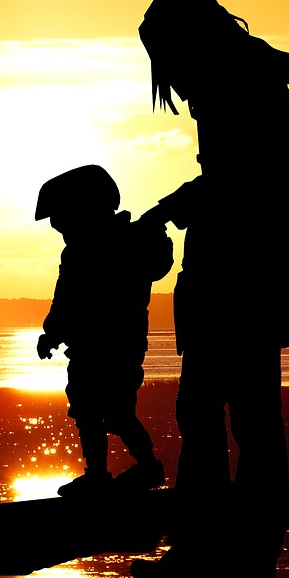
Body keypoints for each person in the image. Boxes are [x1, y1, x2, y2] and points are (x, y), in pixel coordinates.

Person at [127, 0, 289, 578]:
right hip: (247, 258)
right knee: (236, 411)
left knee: (224, 412)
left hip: (238, 265)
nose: (170, 78)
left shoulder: (238, 87)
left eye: (167, 57)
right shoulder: (250, 78)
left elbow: (236, 180)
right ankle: (230, 550)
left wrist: (164, 211)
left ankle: (227, 551)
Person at [35, 164, 174, 498]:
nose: (62, 231)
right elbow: (65, 301)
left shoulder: (118, 245)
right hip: (95, 347)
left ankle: (145, 467)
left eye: (64, 222)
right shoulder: (86, 251)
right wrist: (52, 333)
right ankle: (100, 473)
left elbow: (67, 299)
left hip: (114, 346)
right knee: (89, 411)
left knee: (115, 412)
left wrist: (53, 331)